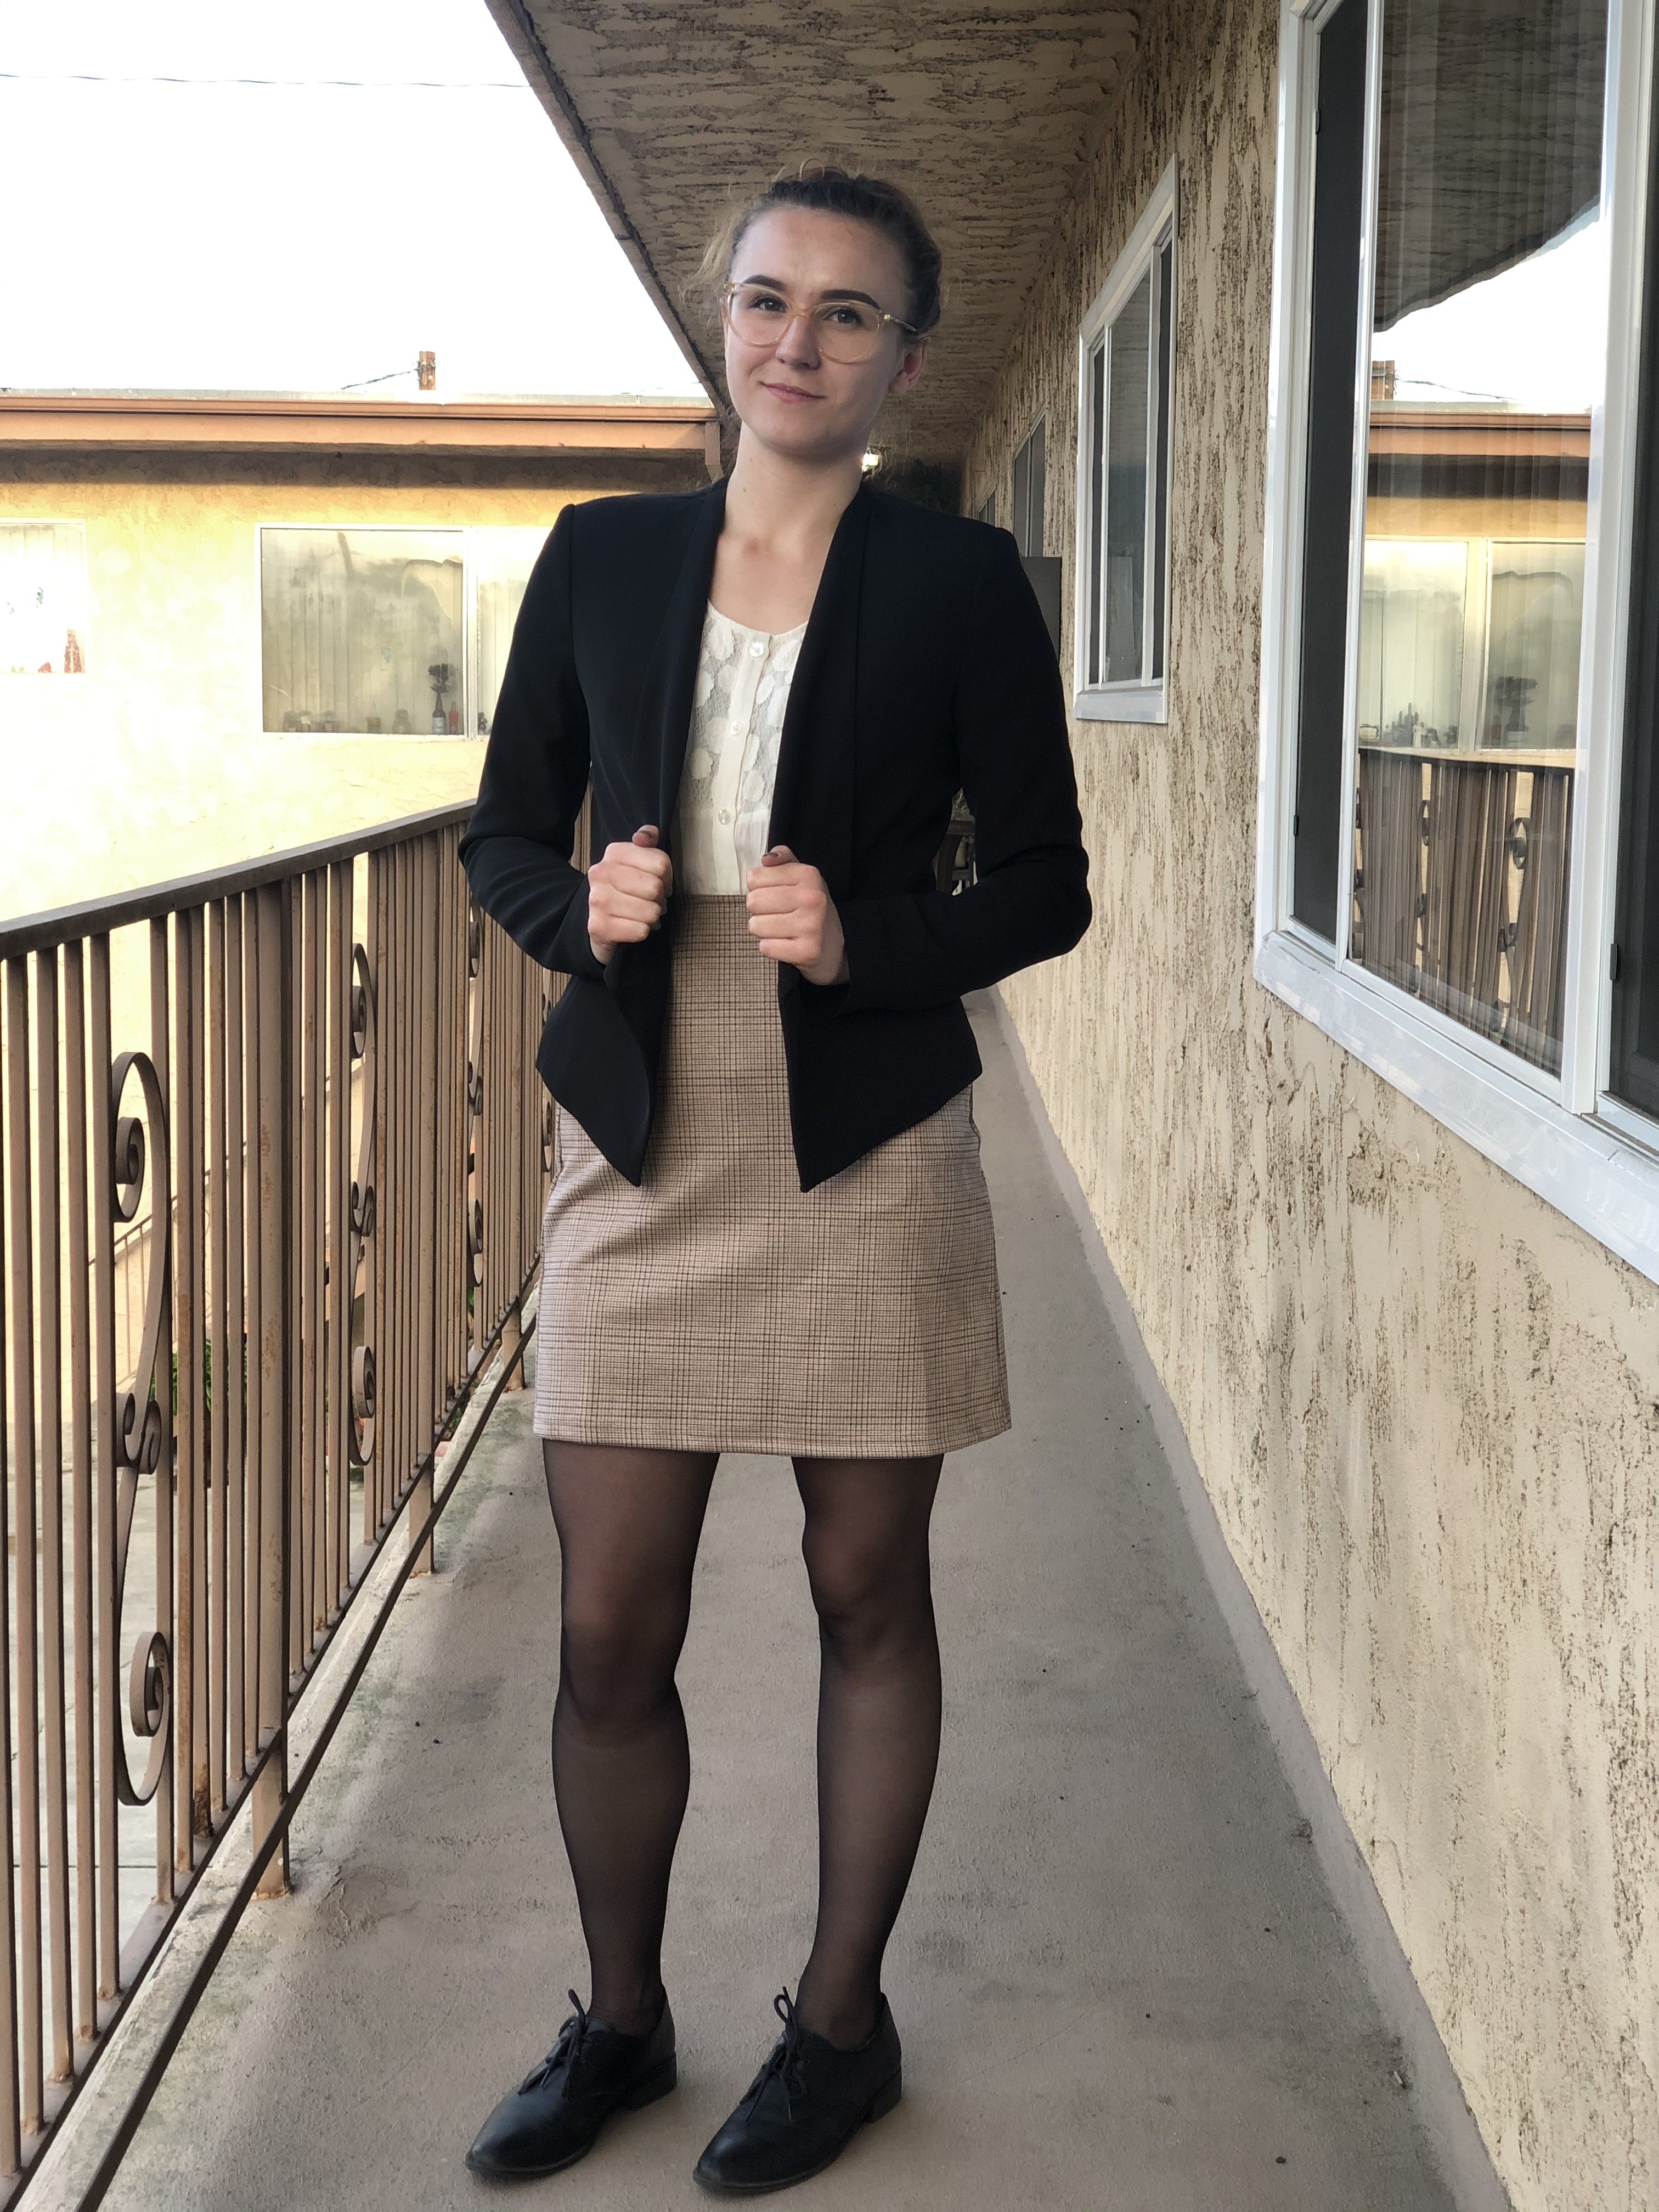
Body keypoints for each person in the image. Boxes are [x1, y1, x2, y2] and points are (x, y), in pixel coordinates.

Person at [456, 162, 1090, 2196]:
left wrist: (874, 939)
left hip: (867, 1122)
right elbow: (499, 836)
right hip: (643, 1116)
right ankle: (622, 2023)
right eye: (764, 300)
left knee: (863, 1590)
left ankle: (838, 2030)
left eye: (844, 312)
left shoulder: (962, 581)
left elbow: (1051, 886)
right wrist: (577, 906)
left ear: (904, 357)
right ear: (720, 321)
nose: (794, 342)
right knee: (607, 1626)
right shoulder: (603, 555)